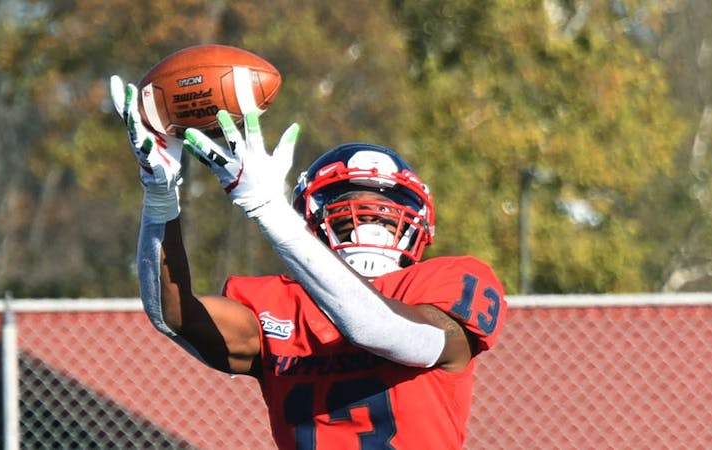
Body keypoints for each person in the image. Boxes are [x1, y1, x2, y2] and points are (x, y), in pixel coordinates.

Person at [110, 73, 506, 450]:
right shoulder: (279, 304)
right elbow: (173, 315)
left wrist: (268, 209)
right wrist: (160, 194)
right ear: (313, 218)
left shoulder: (448, 282)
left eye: (382, 209)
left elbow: (381, 330)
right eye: (349, 204)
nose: (367, 217)